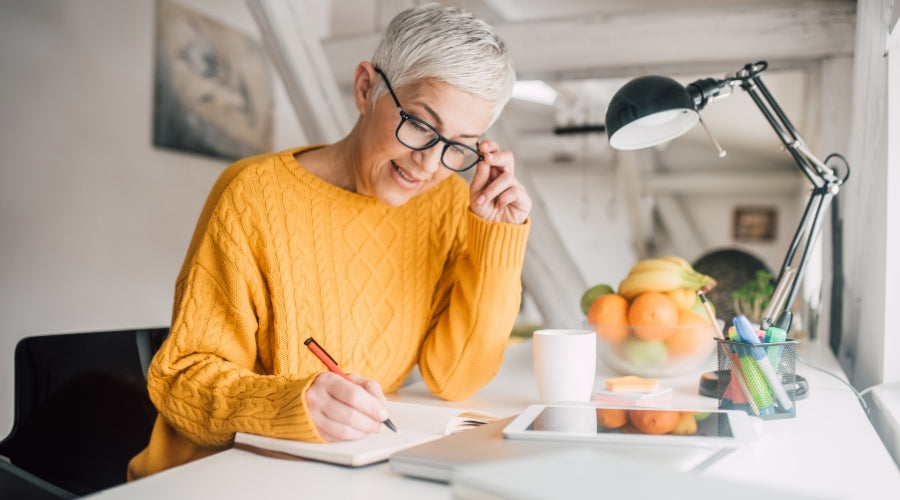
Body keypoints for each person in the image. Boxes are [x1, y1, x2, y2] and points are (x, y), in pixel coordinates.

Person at [128, 3, 531, 480]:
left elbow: (455, 377)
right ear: (366, 88)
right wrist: (290, 404)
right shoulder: (254, 194)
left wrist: (496, 236)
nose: (429, 166)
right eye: (421, 125)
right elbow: (181, 380)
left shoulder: (443, 202)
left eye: (460, 144)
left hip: (342, 474)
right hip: (211, 477)